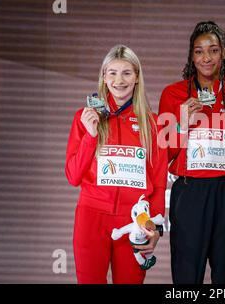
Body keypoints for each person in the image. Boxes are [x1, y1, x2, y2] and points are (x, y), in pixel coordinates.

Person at [158, 21, 225, 284]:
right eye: (199, 51)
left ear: (224, 53)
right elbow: (164, 156)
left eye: (213, 50)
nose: (206, 58)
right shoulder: (173, 94)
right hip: (189, 194)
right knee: (187, 277)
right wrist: (181, 124)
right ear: (191, 56)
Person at [65, 44, 167, 284]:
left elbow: (160, 183)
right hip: (91, 218)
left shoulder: (153, 125)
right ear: (103, 76)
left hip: (133, 222)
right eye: (112, 72)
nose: (119, 80)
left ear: (137, 78)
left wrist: (156, 229)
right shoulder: (84, 118)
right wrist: (91, 136)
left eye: (126, 73)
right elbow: (73, 176)